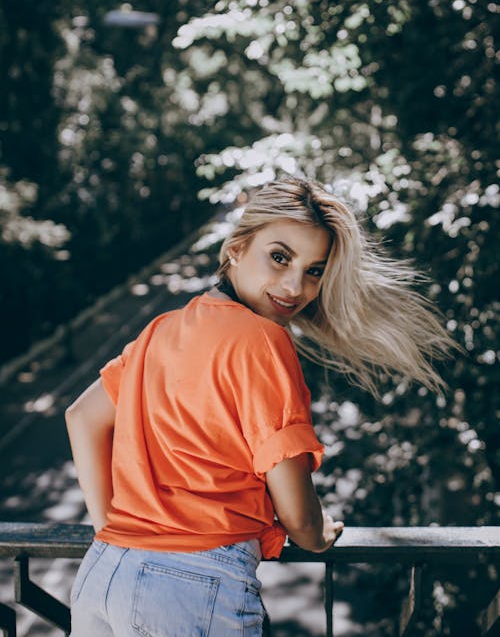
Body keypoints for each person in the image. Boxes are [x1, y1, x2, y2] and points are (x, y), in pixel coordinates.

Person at [65, 176, 453, 636]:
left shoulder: (162, 329)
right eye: (279, 257)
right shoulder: (263, 339)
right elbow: (296, 513)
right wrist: (318, 532)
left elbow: (82, 417)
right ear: (236, 247)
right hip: (192, 587)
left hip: (104, 573)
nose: (295, 286)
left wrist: (120, 529)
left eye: (315, 271)